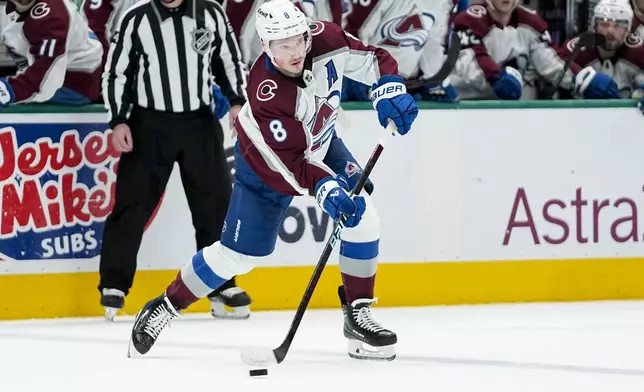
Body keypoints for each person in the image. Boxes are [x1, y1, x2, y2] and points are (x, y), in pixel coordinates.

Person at [127, 0, 418, 361]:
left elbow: (373, 58)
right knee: (236, 258)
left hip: (322, 143)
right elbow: (294, 165)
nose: (295, 51)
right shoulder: (267, 90)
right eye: (283, 45)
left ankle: (358, 318)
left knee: (364, 216)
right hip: (266, 167)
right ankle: (167, 304)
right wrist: (327, 189)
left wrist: (390, 87)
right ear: (266, 46)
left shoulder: (325, 38)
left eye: (298, 40)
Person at [99, 0, 251, 321]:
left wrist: (237, 101)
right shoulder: (135, 18)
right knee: (132, 203)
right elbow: (116, 72)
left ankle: (221, 284)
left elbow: (228, 59)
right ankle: (114, 284)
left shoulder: (210, 12)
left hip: (200, 123)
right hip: (148, 124)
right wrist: (118, 120)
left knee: (215, 205)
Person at [449, 0, 620, 100]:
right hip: (470, 110)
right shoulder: (468, 20)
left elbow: (550, 61)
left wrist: (582, 79)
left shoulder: (530, 21)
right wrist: (496, 77)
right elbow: (471, 60)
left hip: (518, 114)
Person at [341, 0, 467, 102]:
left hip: (398, 83)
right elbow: (357, 31)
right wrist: (357, 74)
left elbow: (432, 44)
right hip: (364, 75)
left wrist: (437, 81)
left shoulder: (442, 4)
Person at [0, 0, 103, 107]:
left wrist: (8, 91)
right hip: (50, 71)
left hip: (72, 86)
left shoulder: (55, 16)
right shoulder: (11, 9)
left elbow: (45, 84)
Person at [559, 0, 644, 100]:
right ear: (594, 25)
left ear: (628, 29)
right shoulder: (578, 49)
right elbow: (555, 69)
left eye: (618, 25)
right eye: (604, 24)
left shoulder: (639, 52)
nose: (610, 31)